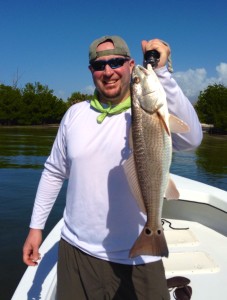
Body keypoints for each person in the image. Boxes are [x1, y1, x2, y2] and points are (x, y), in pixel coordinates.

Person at [23, 35, 203, 300]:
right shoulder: (74, 115)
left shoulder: (146, 112)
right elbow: (53, 172)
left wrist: (162, 73)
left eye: (116, 62)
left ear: (131, 65)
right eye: (99, 65)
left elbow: (191, 139)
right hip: (76, 251)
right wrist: (36, 228)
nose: (108, 71)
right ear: (91, 71)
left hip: (140, 256)